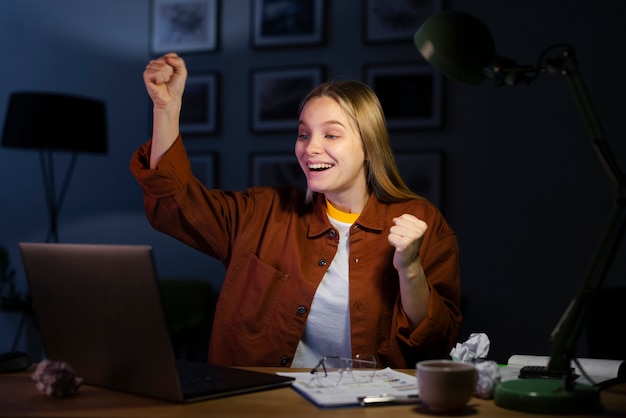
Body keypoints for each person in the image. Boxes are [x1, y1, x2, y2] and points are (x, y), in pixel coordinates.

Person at [130, 53, 462, 369]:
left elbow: (436, 341)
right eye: (303, 134)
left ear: (368, 146)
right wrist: (166, 108)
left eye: (331, 134)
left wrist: (410, 269)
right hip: (264, 404)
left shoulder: (422, 221)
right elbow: (175, 204)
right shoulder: (261, 213)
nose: (310, 148)